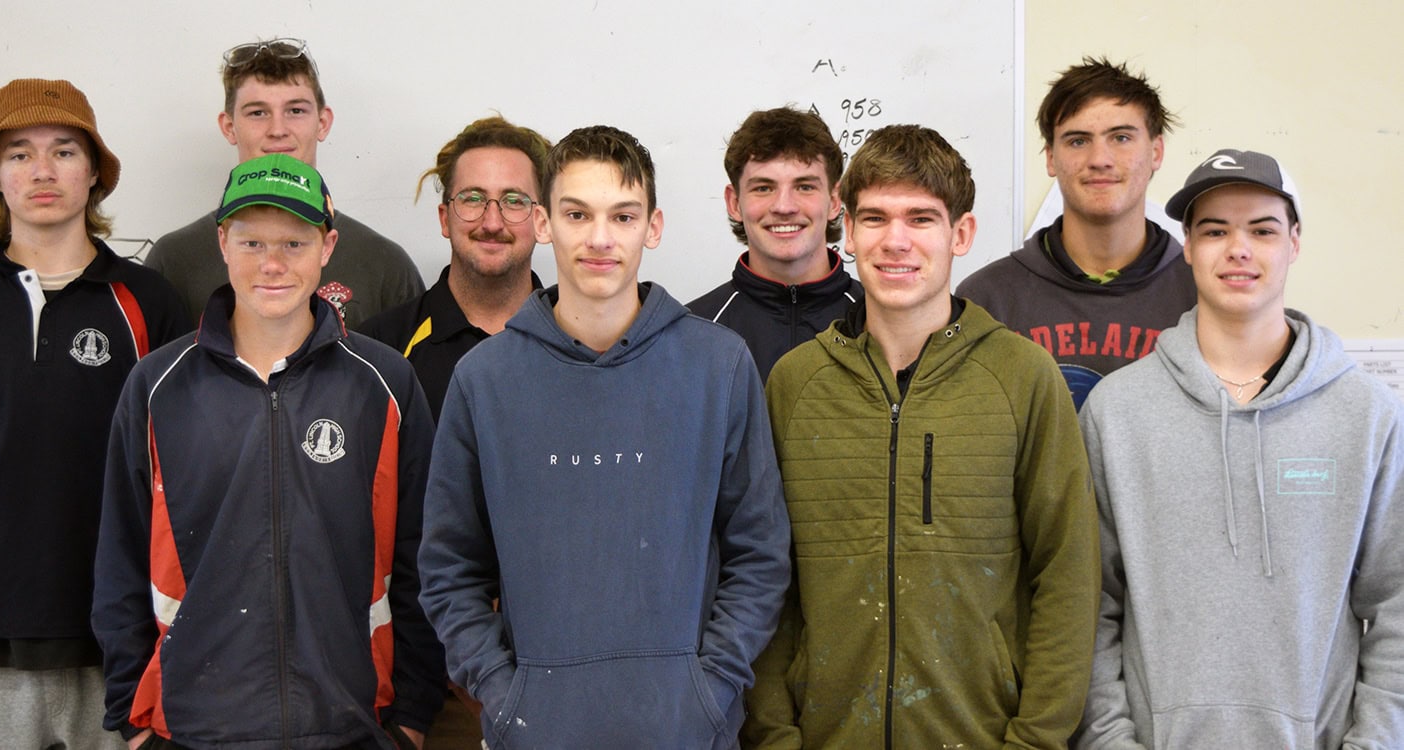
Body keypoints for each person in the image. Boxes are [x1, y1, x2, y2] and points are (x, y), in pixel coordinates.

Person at [418, 126, 790, 749]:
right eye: (577, 214)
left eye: (622, 216)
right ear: (543, 223)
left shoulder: (718, 365)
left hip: (688, 732)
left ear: (653, 227)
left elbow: (760, 552)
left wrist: (710, 689)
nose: (599, 238)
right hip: (535, 733)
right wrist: (505, 695)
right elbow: (449, 567)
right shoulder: (484, 379)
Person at [747, 124, 1099, 748]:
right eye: (875, 218)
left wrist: (1035, 740)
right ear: (847, 230)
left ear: (960, 233)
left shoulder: (1023, 377)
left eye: (921, 218)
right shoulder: (794, 385)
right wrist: (775, 736)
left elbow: (1067, 573)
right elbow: (767, 577)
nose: (896, 241)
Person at [93, 154, 444, 749]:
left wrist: (410, 715)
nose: (272, 263)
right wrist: (133, 718)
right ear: (222, 243)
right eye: (252, 242)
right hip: (191, 729)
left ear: (327, 247)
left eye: (294, 243)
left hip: (354, 725)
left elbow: (423, 551)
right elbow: (119, 558)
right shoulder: (158, 385)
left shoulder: (384, 383)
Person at [1076, 150, 1404, 748]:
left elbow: (1397, 605)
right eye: (1215, 231)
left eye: (1262, 230)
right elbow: (1091, 604)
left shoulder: (1368, 414)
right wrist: (1110, 741)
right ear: (1188, 246)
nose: (1239, 249)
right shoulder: (1116, 411)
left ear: (1294, 243)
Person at [0, 78, 187, 749]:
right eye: (19, 153)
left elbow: (181, 480)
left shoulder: (151, 303)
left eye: (64, 151)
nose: (42, 170)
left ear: (94, 173)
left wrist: (170, 637)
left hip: (120, 651)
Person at [957, 57, 1194, 408]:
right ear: (1051, 158)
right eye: (1078, 141)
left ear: (1156, 151)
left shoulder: (1202, 294)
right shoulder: (987, 299)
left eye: (1121, 137)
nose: (1100, 159)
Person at [145, 37, 423, 325]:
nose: (278, 129)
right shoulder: (174, 260)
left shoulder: (384, 265)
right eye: (258, 113)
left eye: (296, 111)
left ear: (322, 122)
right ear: (229, 127)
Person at [357, 115, 552, 419]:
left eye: (514, 201)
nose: (492, 223)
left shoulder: (580, 341)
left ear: (542, 220)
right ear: (444, 219)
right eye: (472, 198)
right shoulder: (378, 348)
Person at [687, 106, 861, 381]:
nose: (784, 206)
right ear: (734, 203)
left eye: (805, 186)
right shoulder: (690, 331)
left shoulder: (881, 321)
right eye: (763, 188)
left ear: (834, 201)